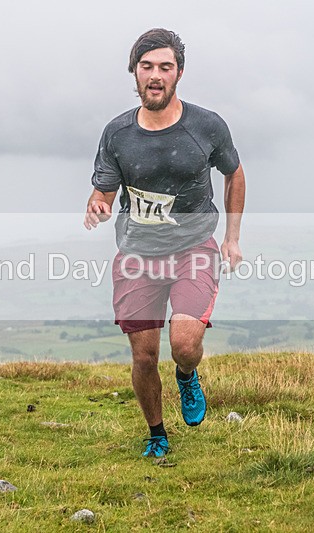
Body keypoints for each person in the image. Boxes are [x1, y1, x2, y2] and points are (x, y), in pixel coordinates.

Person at [84, 29, 246, 457]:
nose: (155, 76)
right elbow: (103, 189)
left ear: (179, 73)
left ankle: (188, 375)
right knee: (143, 357)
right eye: (147, 67)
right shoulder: (117, 133)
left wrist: (231, 237)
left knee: (185, 345)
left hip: (193, 248)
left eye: (165, 67)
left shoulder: (206, 126)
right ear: (134, 73)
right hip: (137, 255)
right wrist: (97, 206)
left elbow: (234, 173)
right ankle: (157, 434)